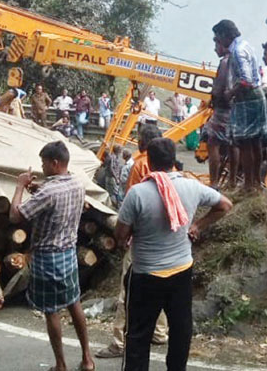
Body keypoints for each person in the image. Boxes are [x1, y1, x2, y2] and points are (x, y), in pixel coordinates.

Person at [115, 138, 233, 371]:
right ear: (173, 161)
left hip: (146, 274)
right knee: (180, 330)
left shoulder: (137, 194)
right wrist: (198, 224)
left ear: (148, 161)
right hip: (181, 271)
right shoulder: (192, 187)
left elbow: (120, 235)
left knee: (138, 335)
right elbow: (226, 205)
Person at [9, 142, 94, 371]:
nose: (42, 166)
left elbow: (16, 216)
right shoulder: (77, 182)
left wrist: (19, 187)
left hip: (47, 258)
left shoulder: (48, 192)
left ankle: (60, 364)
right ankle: (87, 359)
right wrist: (37, 187)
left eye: (44, 162)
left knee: (51, 310)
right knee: (74, 302)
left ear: (55, 163)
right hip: (69, 253)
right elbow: (54, 194)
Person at [97, 125, 167, 359]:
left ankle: (118, 341)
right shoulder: (171, 166)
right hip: (165, 240)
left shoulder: (140, 164)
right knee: (161, 288)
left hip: (142, 239)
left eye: (139, 138)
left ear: (144, 142)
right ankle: (159, 332)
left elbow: (131, 203)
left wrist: (123, 237)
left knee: (127, 291)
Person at [213, 19, 267, 193]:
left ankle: (248, 185)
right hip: (256, 96)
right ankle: (255, 183)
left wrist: (230, 93)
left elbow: (245, 80)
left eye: (217, 37)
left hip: (247, 98)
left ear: (225, 35)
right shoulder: (246, 45)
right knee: (255, 142)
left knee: (244, 142)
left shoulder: (237, 51)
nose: (217, 41)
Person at [205, 40, 238, 189]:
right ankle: (232, 180)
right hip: (234, 109)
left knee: (212, 142)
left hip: (222, 109)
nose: (214, 49)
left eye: (216, 44)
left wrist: (214, 98)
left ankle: (214, 182)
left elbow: (219, 86)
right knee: (233, 144)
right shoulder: (238, 59)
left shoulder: (225, 61)